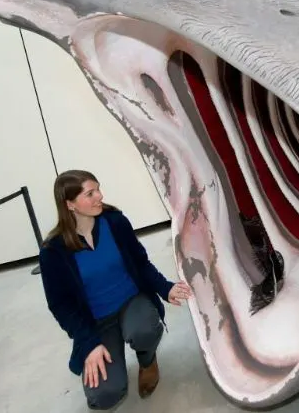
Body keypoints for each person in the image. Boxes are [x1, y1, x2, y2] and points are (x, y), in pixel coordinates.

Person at [38, 169, 192, 410]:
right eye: (90, 193)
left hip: (131, 300)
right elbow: (61, 305)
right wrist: (88, 343)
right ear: (69, 204)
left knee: (144, 330)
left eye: (98, 189)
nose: (99, 196)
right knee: (104, 396)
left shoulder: (115, 222)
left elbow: (140, 263)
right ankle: (109, 349)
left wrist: (166, 287)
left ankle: (147, 361)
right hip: (97, 322)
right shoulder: (53, 251)